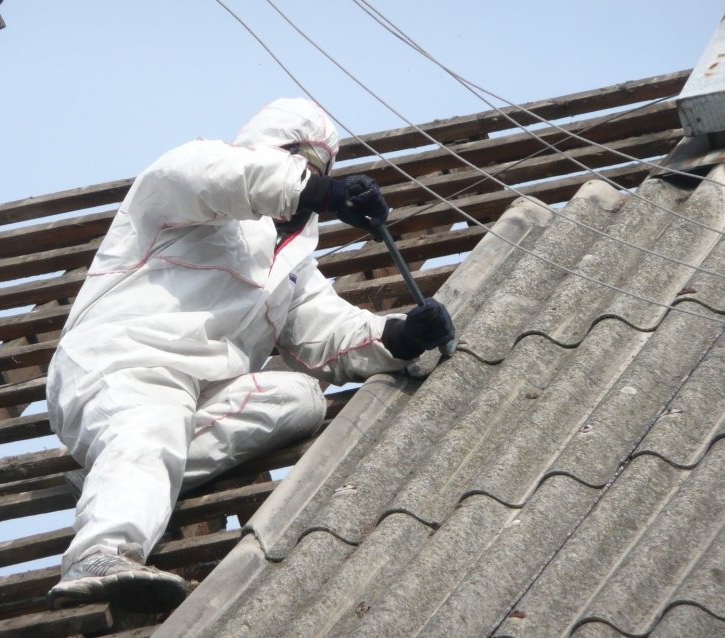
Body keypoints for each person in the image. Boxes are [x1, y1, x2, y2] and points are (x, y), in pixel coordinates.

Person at [44, 98, 454, 613]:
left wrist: (401, 337)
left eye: (319, 169)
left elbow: (330, 334)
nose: (309, 176)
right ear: (268, 152)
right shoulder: (186, 184)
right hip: (123, 361)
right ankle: (99, 553)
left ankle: (117, 474)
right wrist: (314, 189)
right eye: (298, 162)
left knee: (301, 397)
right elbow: (221, 176)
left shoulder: (294, 267)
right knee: (153, 423)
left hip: (196, 396)